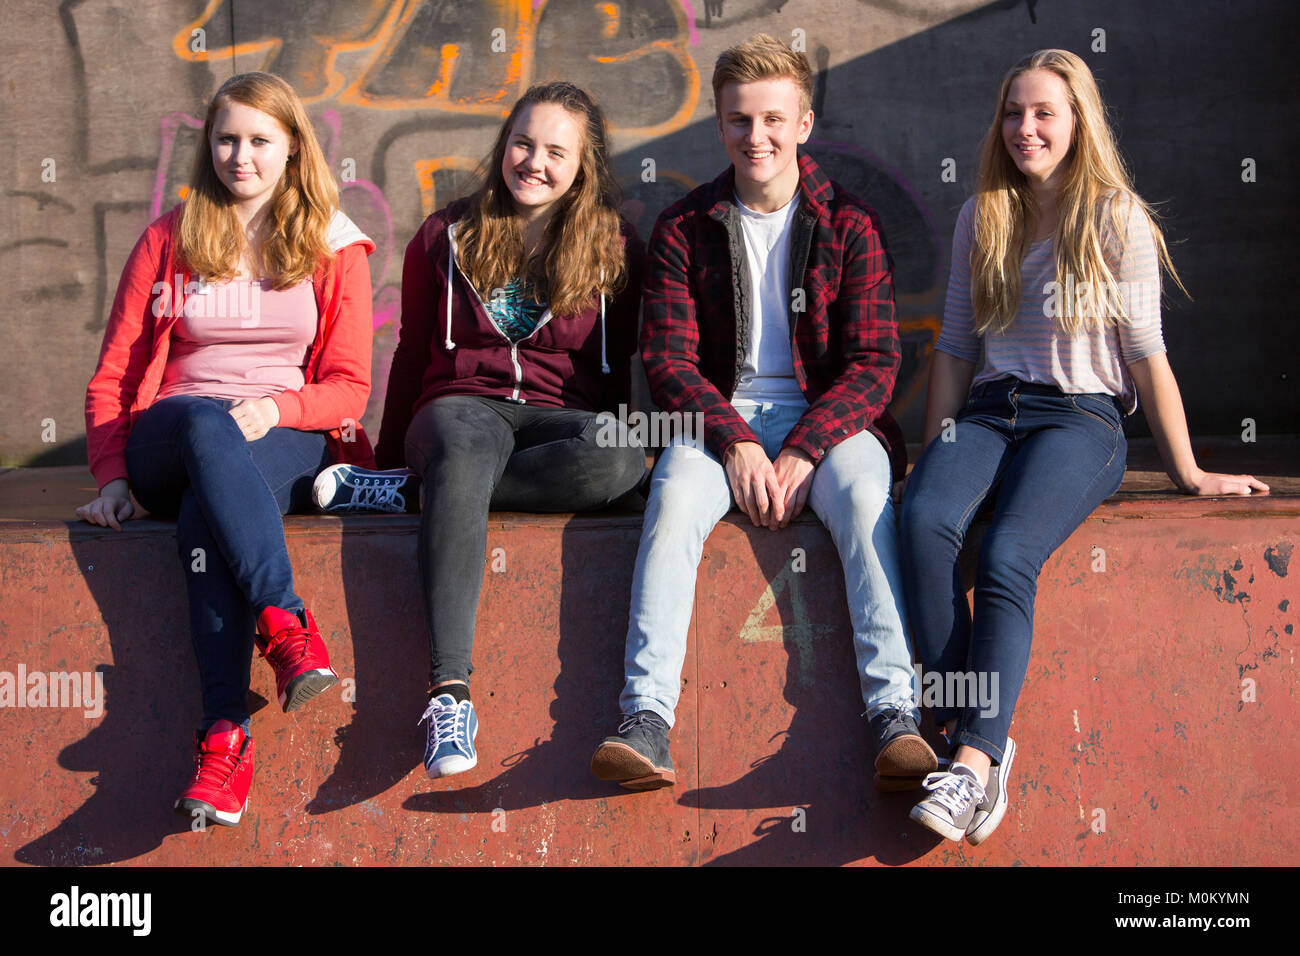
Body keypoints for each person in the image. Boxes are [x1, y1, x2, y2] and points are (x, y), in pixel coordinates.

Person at [900, 49, 1269, 845]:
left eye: (1044, 113)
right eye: (1012, 112)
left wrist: (1189, 470)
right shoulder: (982, 214)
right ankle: (979, 740)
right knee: (923, 523)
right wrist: (935, 453)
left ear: (1078, 123)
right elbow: (957, 349)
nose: (1025, 128)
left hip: (1081, 419)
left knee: (1005, 555)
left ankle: (970, 761)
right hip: (992, 410)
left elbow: (1146, 354)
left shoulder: (1116, 217)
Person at [590, 34, 935, 793]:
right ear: (720, 125)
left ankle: (896, 715)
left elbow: (876, 364)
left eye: (774, 119)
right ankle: (646, 719)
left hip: (832, 419)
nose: (758, 137)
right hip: (720, 420)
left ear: (804, 124)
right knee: (674, 502)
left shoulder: (851, 223)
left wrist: (807, 447)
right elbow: (670, 364)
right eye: (741, 121)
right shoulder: (687, 225)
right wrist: (738, 441)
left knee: (866, 502)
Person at [314, 81, 646, 779]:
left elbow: (617, 373)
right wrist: (392, 448)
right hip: (463, 405)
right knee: (461, 448)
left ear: (583, 164)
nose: (535, 162)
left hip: (564, 416)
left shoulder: (616, 248)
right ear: (505, 145)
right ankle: (449, 694)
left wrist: (624, 453)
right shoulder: (444, 235)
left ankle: (424, 495)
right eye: (523, 143)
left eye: (557, 151)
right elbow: (410, 352)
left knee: (621, 458)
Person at [78, 71, 376, 827]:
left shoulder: (332, 243)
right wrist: (113, 474)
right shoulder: (170, 237)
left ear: (292, 148)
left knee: (208, 523)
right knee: (206, 422)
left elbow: (347, 388)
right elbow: (116, 369)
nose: (239, 156)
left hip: (282, 436)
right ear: (207, 144)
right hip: (171, 440)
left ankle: (223, 743)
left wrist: (275, 406)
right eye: (226, 139)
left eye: (259, 141)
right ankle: (284, 620)